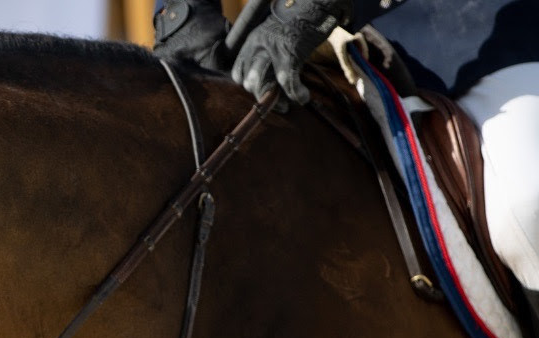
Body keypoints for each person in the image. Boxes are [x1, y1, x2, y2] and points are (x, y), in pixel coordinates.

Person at [152, 0, 539, 298]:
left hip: (480, 31)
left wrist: (311, 10)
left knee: (527, 207)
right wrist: (185, 19)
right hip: (269, 39)